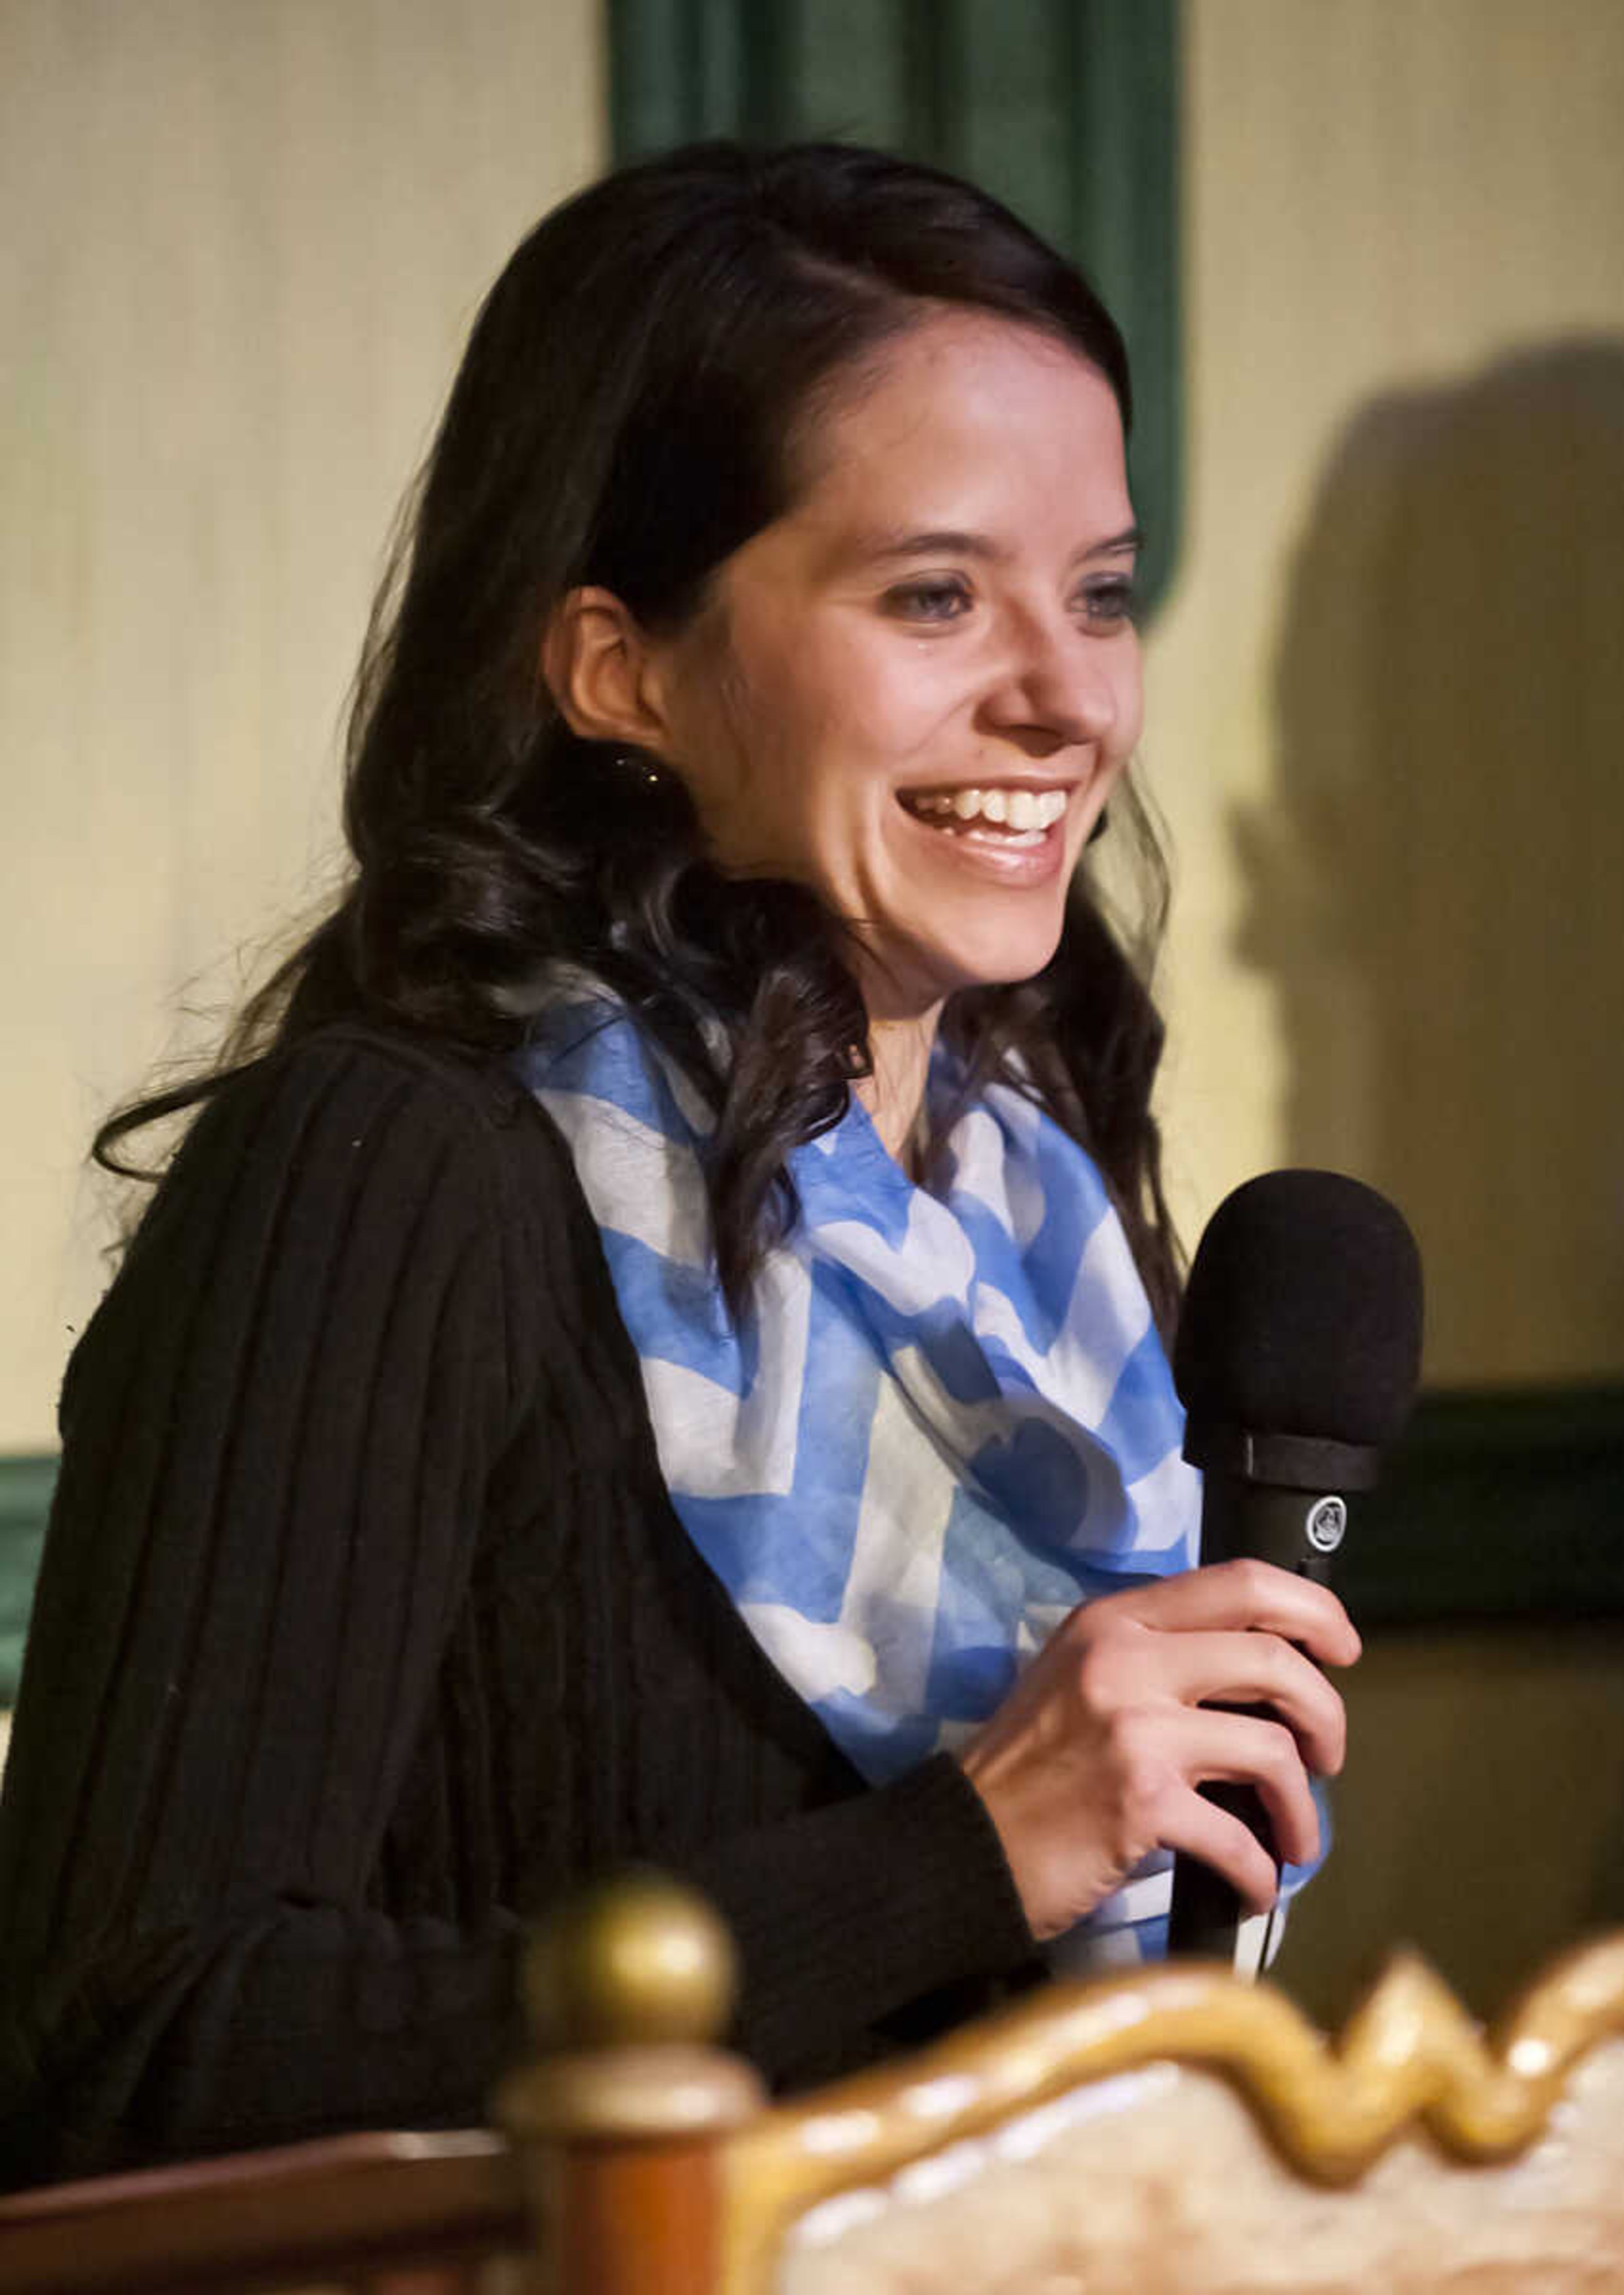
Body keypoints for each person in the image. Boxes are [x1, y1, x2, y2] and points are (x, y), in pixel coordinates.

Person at [0, 142, 1357, 2186]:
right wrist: (967, 1849)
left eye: (1097, 591)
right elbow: (119, 2041)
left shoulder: (1042, 1230)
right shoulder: (393, 1172)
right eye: (932, 594)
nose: (1066, 698)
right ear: (622, 668)